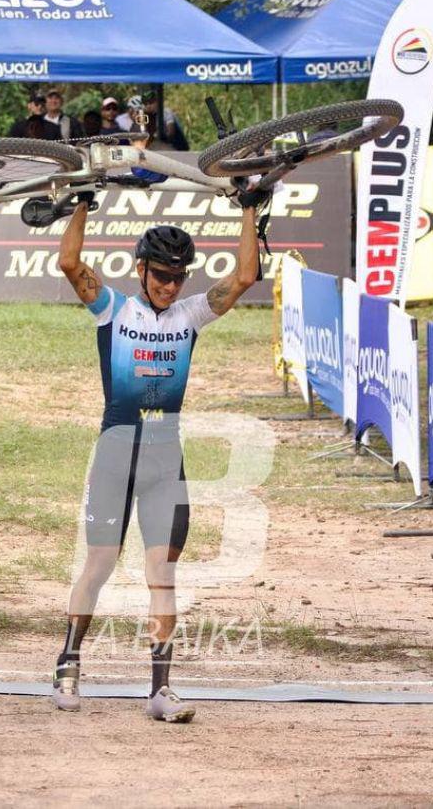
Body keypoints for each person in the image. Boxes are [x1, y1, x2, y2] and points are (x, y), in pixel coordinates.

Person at [51, 191, 262, 722]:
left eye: (179, 277)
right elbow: (70, 263)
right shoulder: (113, 309)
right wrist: (81, 203)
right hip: (116, 452)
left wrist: (249, 210)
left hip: (166, 458)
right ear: (140, 269)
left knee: (162, 575)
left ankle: (161, 691)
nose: (170, 286)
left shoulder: (190, 315)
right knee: (99, 565)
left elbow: (242, 278)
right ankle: (68, 663)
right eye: (161, 275)